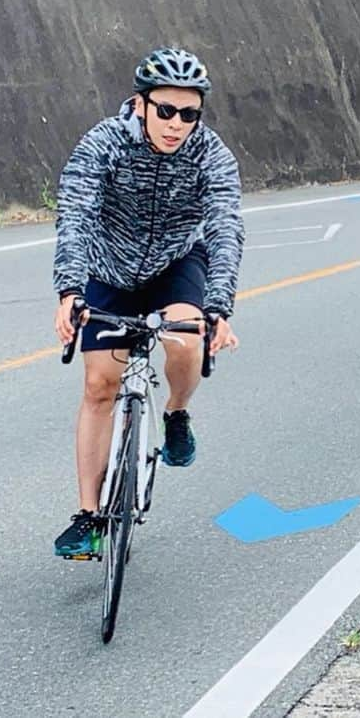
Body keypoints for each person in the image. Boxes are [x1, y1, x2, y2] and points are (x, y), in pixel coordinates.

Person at [51, 48, 244, 558]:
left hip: (176, 264)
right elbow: (76, 212)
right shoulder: (104, 143)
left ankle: (177, 412)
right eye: (165, 110)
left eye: (189, 114)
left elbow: (226, 226)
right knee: (99, 386)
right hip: (108, 268)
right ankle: (89, 516)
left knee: (185, 339)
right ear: (140, 105)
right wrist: (70, 290)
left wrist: (219, 306)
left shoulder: (211, 155)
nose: (176, 124)